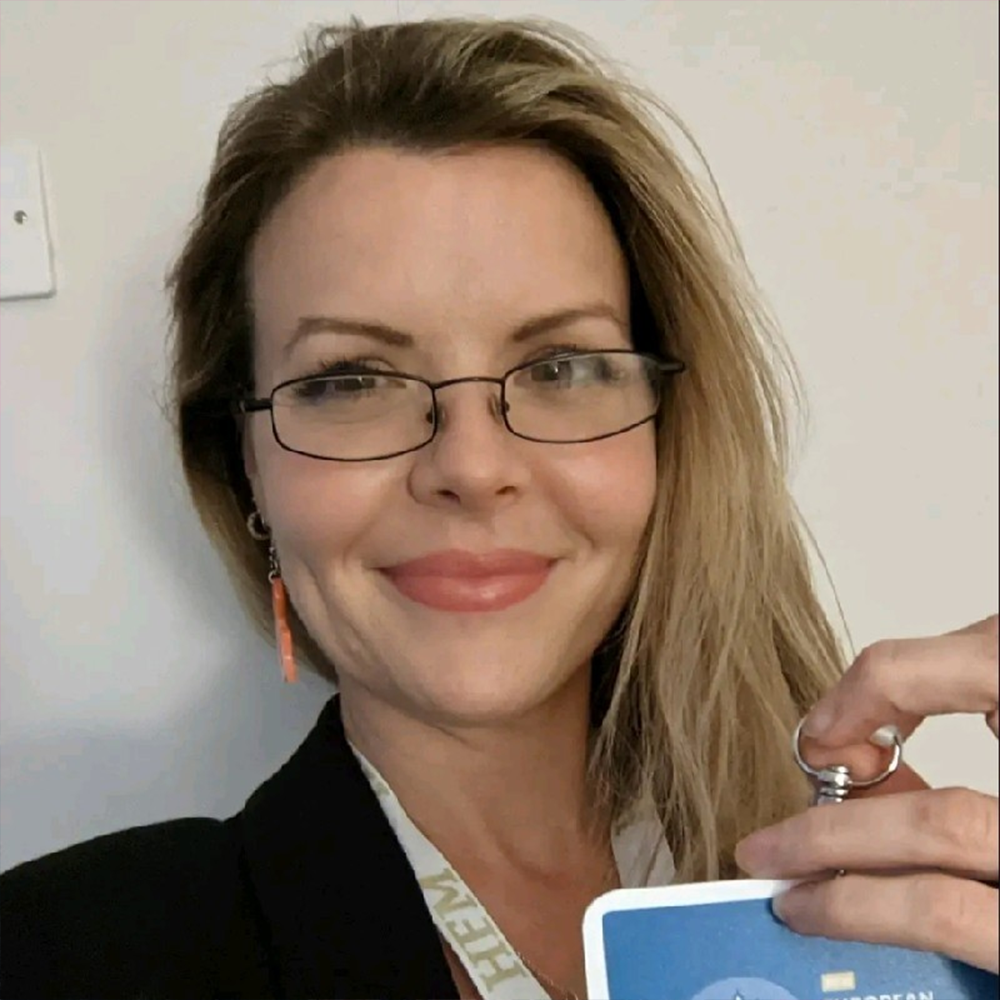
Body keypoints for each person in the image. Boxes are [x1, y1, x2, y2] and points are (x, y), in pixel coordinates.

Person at [0, 14, 996, 999]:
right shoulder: (61, 957)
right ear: (245, 468)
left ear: (668, 434)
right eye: (351, 379)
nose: (472, 467)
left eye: (562, 365)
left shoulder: (912, 919)